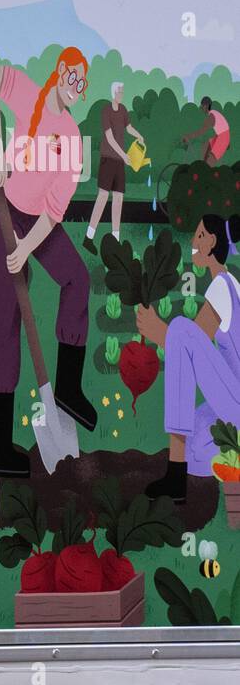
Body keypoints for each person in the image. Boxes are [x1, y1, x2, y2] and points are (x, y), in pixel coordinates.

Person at [0, 47, 98, 478]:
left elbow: (53, 210)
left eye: (83, 85)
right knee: (5, 321)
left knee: (77, 279)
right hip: (3, 210)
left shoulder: (72, 139)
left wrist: (27, 248)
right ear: (62, 72)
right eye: (75, 78)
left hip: (36, 226)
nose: (78, 89)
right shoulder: (30, 95)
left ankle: (67, 387)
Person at [136, 215, 240, 502]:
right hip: (230, 400)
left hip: (236, 403)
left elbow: (190, 345)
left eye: (200, 235)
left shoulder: (221, 286)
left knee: (181, 328)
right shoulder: (231, 283)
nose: (193, 242)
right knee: (198, 448)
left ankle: (175, 473)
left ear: (212, 244)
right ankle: (190, 461)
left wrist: (159, 332)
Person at [83, 81, 145, 255]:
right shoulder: (106, 111)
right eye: (119, 91)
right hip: (108, 159)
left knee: (119, 198)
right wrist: (124, 155)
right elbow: (109, 138)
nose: (121, 94)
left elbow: (129, 127)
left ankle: (115, 239)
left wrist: (138, 135)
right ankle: (89, 237)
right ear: (113, 93)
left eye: (122, 91)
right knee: (103, 196)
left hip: (119, 161)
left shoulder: (123, 110)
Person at [182, 96, 231, 167]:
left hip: (223, 137)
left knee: (211, 160)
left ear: (207, 105)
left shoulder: (211, 116)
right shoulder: (213, 113)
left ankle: (208, 170)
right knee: (205, 145)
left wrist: (188, 136)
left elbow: (201, 131)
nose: (201, 108)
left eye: (203, 106)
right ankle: (203, 166)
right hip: (220, 136)